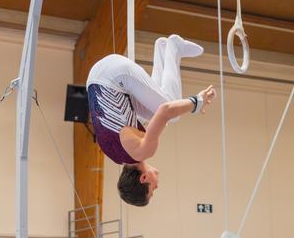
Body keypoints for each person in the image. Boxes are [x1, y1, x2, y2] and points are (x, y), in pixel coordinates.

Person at [87, 34, 216, 206]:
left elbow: (165, 110)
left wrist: (196, 103)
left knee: (174, 114)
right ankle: (161, 48)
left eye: (152, 190)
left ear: (144, 178)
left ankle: (174, 47)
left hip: (113, 76)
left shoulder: (143, 151)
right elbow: (149, 114)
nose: (157, 187)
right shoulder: (118, 155)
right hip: (96, 78)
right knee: (155, 110)